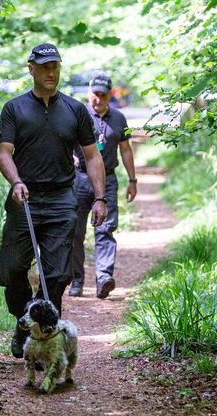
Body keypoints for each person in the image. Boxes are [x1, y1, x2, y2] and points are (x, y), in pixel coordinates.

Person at [0, 43, 107, 359]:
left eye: (55, 66)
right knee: (11, 270)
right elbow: (5, 152)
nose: (51, 72)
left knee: (56, 276)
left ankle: (45, 342)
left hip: (61, 199)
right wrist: (15, 181)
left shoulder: (74, 110)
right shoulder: (14, 109)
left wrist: (100, 197)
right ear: (31, 69)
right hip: (24, 199)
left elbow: (92, 156)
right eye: (44, 67)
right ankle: (22, 322)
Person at [69, 73, 137, 299]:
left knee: (105, 228)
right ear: (88, 93)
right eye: (94, 94)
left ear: (110, 95)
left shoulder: (119, 118)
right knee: (75, 232)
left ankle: (103, 278)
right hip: (80, 180)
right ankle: (77, 280)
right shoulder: (78, 115)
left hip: (107, 180)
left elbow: (126, 149)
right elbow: (63, 139)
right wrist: (70, 156)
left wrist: (133, 180)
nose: (97, 99)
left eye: (102, 95)